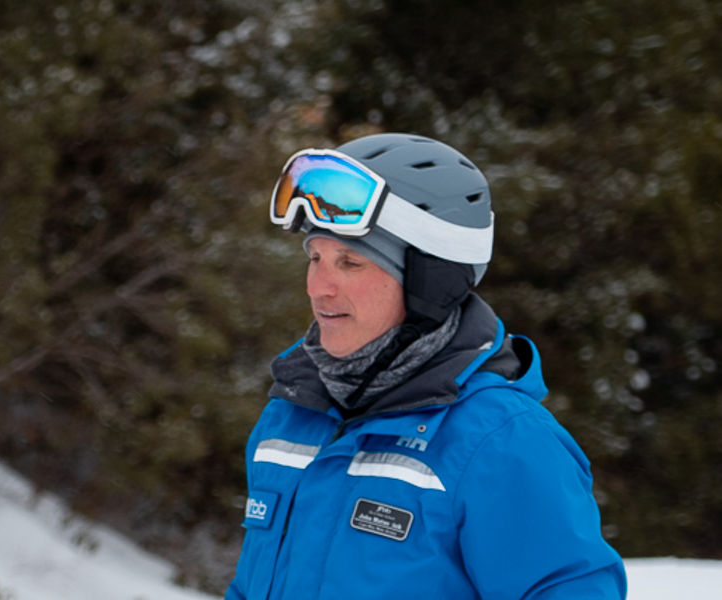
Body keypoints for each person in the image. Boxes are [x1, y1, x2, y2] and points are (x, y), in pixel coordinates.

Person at [227, 133, 625, 598]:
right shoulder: (291, 415)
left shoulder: (499, 442)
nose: (319, 287)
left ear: (427, 282)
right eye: (315, 257)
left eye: (351, 262)